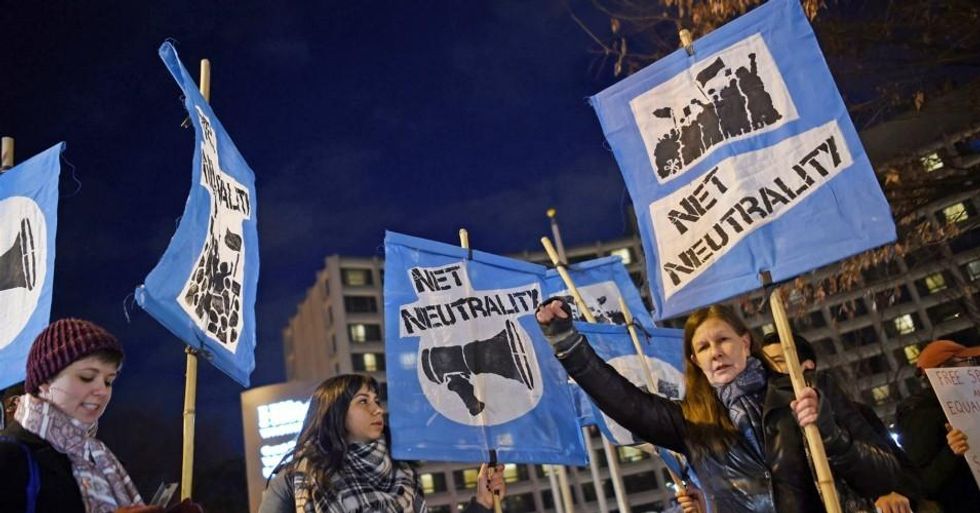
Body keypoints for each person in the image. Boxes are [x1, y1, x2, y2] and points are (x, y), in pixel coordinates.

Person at [537, 299, 904, 513]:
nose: (716, 353)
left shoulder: (807, 390)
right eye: (704, 347)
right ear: (695, 361)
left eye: (723, 340)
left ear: (745, 342)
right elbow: (624, 402)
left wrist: (829, 434)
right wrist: (569, 344)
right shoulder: (691, 423)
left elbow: (886, 474)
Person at [0, 318, 200, 513]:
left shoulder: (98, 462)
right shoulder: (11, 455)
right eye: (87, 377)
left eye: (108, 381)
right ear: (45, 382)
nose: (102, 391)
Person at [259, 374, 505, 513]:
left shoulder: (402, 472)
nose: (377, 410)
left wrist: (482, 502)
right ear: (335, 412)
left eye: (376, 401)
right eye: (363, 402)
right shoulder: (293, 481)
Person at [761, 333, 928, 513]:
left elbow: (901, 470)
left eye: (778, 362)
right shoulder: (769, 429)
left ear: (808, 367)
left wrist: (890, 492)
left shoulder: (856, 413)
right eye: (765, 366)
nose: (771, 373)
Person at [895, 339, 980, 513]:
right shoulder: (919, 414)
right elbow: (923, 482)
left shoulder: (969, 402)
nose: (974, 368)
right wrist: (951, 452)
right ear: (944, 371)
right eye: (967, 362)